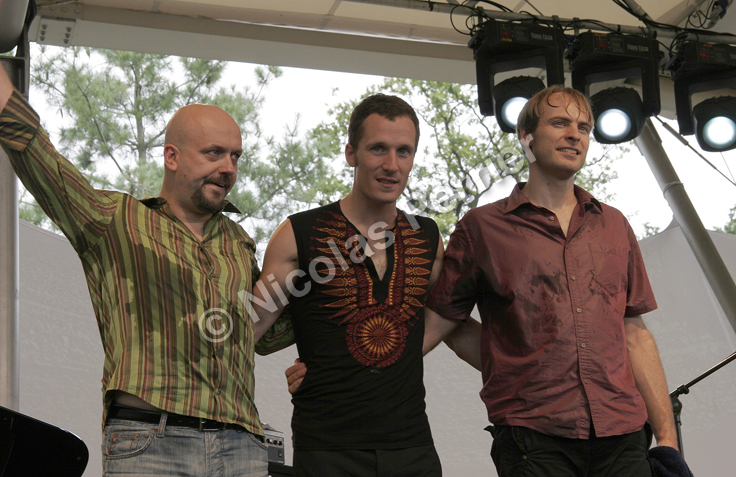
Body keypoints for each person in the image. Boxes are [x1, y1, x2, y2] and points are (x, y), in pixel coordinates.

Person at [0, 67, 291, 477]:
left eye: (235, 156)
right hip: (151, 440)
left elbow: (263, 334)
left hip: (240, 444)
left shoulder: (238, 243)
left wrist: (318, 280)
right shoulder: (116, 220)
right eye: (214, 153)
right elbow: (40, 158)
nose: (228, 167)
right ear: (172, 156)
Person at [423, 85, 679, 476]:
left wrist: (667, 437)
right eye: (559, 123)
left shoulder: (613, 224)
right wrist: (340, 369)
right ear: (526, 138)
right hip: (533, 440)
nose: (575, 134)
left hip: (624, 434)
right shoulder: (482, 228)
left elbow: (634, 332)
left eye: (584, 127)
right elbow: (442, 323)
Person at [251, 94, 444, 476]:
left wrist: (391, 356)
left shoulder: (428, 236)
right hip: (327, 450)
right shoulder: (298, 233)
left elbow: (448, 315)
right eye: (378, 149)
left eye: (404, 152)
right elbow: (246, 328)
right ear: (351, 154)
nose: (392, 165)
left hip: (412, 448)